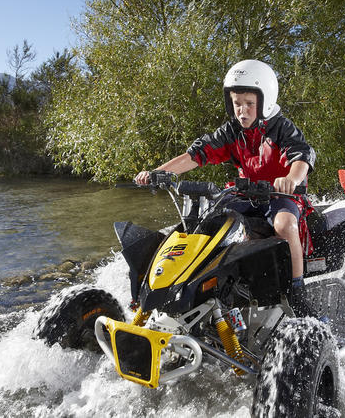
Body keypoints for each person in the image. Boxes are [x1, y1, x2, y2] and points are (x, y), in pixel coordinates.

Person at [134, 59, 316, 317]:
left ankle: (297, 292)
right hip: (242, 194)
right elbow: (197, 154)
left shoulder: (281, 127)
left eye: (249, 104)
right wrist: (158, 173)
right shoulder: (232, 130)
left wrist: (291, 179)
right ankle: (192, 289)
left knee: (284, 225)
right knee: (205, 222)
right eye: (237, 103)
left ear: (266, 101)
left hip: (280, 195)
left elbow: (302, 157)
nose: (242, 110)